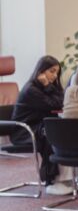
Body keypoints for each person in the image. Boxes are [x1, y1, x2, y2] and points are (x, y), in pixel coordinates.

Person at [11, 55, 65, 191]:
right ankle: (50, 179)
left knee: (57, 128)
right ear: (41, 71)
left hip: (37, 127)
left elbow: (62, 99)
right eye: (51, 71)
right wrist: (47, 86)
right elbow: (55, 104)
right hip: (23, 131)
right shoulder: (31, 89)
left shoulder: (45, 87)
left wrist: (49, 86)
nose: (54, 76)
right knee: (51, 133)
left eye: (57, 72)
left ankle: (60, 177)